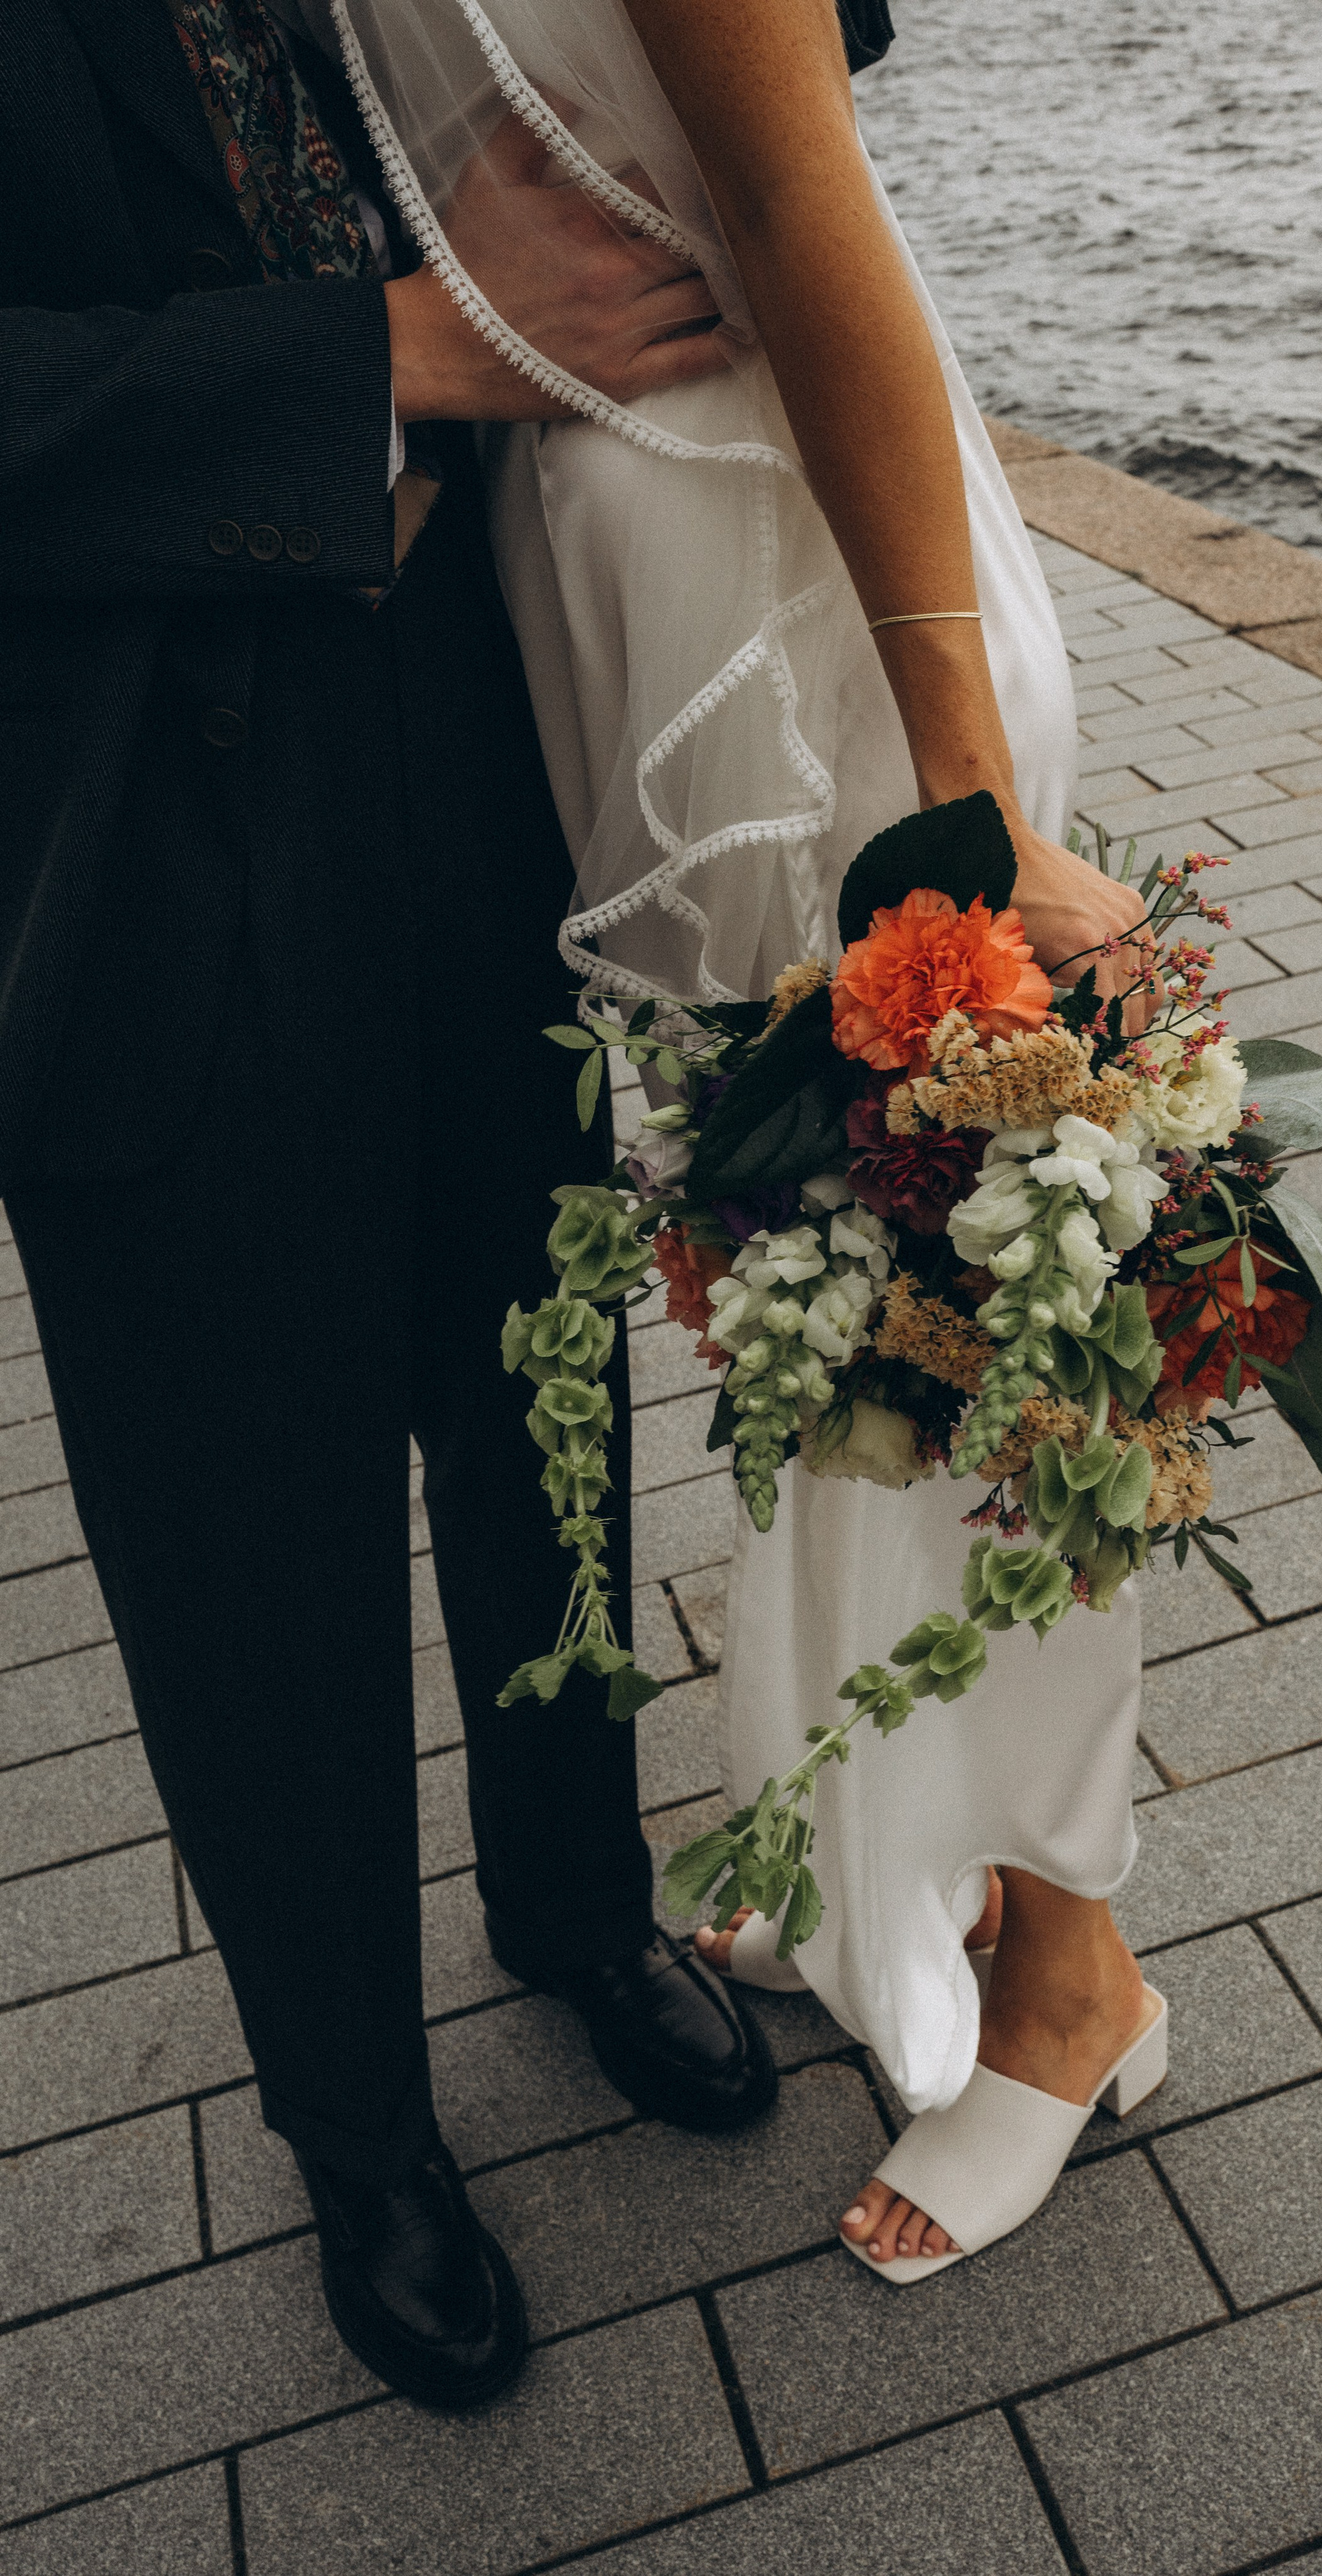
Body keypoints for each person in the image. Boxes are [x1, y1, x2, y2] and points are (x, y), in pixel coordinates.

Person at [328, 0, 1166, 2282]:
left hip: (820, 642)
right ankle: (904, 1843)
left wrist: (965, 793)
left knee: (988, 1319)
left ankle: (1078, 1978)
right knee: (821, 1330)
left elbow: (812, 210)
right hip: (644, 636)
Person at [0, 0, 781, 2412]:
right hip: (124, 824)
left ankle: (576, 1910)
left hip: (489, 727)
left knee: (542, 1395)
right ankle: (359, 2127)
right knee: (244, 1529)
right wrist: (380, 356)